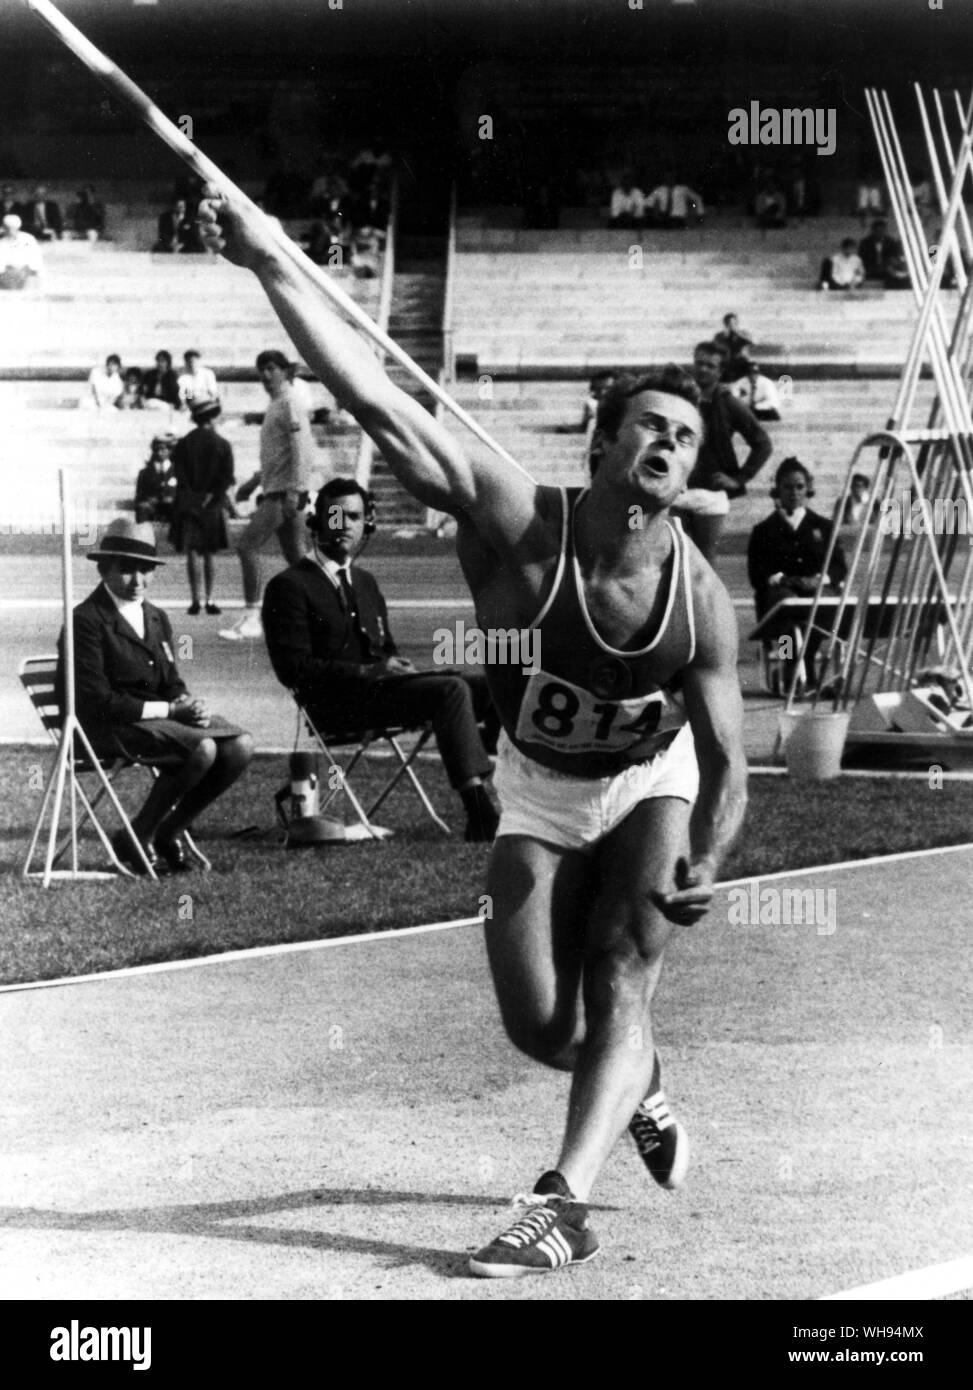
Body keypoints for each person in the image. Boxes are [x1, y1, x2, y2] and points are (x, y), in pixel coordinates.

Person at [200, 194, 748, 1279]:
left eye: (684, 438)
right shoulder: (516, 527)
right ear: (602, 442)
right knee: (543, 1030)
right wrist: (269, 261)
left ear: (688, 474)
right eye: (649, 423)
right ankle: (634, 1082)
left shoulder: (701, 604)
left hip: (649, 786)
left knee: (622, 970)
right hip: (536, 793)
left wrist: (713, 855)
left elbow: (727, 762)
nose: (668, 444)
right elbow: (375, 400)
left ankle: (560, 1204)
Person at [263, 479, 501, 840]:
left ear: (367, 525)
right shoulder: (290, 585)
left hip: (380, 694)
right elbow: (293, 670)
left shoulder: (366, 582)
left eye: (354, 517)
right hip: (334, 705)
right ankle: (479, 811)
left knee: (492, 685)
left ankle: (514, 788)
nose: (344, 525)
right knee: (450, 691)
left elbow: (384, 649)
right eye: (335, 515)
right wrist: (370, 670)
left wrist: (397, 665)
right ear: (316, 523)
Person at [57, 518, 254, 874]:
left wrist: (187, 703)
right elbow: (95, 700)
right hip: (105, 728)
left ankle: (168, 831)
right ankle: (138, 835)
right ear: (104, 569)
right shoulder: (86, 620)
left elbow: (170, 680)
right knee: (202, 747)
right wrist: (170, 710)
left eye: (146, 570)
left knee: (240, 745)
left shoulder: (156, 616)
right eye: (127, 570)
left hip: (157, 722)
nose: (138, 581)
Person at [219, 348, 315, 641]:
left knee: (247, 545)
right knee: (297, 556)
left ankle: (252, 616)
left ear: (285, 371)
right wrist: (253, 482)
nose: (265, 374)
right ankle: (326, 609)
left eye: (271, 368)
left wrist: (295, 490)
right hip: (278, 487)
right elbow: (279, 453)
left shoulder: (289, 403)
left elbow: (302, 450)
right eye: (261, 369)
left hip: (285, 491)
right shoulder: (276, 404)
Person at [747, 458, 847, 690]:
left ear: (808, 488)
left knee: (823, 600)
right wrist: (781, 579)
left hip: (815, 590)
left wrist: (822, 578)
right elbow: (756, 573)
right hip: (779, 594)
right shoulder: (763, 531)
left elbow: (839, 566)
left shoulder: (824, 526)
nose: (794, 493)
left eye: (799, 487)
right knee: (785, 606)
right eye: (788, 487)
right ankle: (789, 661)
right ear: (778, 490)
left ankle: (808, 659)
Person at [674, 341, 772, 565]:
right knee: (674, 555)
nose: (703, 369)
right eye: (699, 363)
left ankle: (706, 601)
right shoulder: (680, 400)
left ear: (720, 371)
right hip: (677, 490)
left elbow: (763, 443)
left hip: (710, 493)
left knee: (705, 561)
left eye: (710, 365)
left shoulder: (729, 403)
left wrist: (739, 479)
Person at [169, 400, 235, 615]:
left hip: (188, 502)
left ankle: (195, 599)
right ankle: (210, 599)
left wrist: (193, 496)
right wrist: (210, 496)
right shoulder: (222, 444)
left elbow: (178, 474)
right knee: (209, 553)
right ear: (211, 418)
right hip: (212, 504)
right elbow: (226, 478)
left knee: (192, 552)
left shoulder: (183, 443)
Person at [134, 434, 177, 525]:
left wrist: (172, 498)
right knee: (142, 508)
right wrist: (147, 500)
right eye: (156, 449)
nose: (159, 452)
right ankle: (144, 535)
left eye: (163, 449)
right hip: (152, 506)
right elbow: (139, 496)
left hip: (171, 506)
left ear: (170, 451)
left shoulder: (177, 471)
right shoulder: (145, 473)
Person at [0, 213, 42, 290]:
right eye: (7, 228)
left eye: (12, 228)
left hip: (27, 273)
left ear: (18, 228)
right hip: (7, 276)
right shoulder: (2, 243)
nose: (10, 231)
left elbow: (36, 260)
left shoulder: (28, 239)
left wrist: (26, 271)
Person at [713, 313, 754, 381]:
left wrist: (738, 334)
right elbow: (715, 348)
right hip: (727, 364)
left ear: (737, 323)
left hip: (742, 363)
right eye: (728, 324)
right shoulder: (720, 336)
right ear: (725, 324)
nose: (731, 326)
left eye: (733, 324)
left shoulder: (744, 333)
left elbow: (751, 343)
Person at [858, 218, 902, 282]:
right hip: (870, 269)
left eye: (881, 231)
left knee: (893, 274)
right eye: (877, 231)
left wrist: (890, 264)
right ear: (873, 231)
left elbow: (896, 257)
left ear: (885, 230)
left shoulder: (891, 242)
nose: (879, 233)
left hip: (887, 269)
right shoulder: (865, 243)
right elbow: (861, 258)